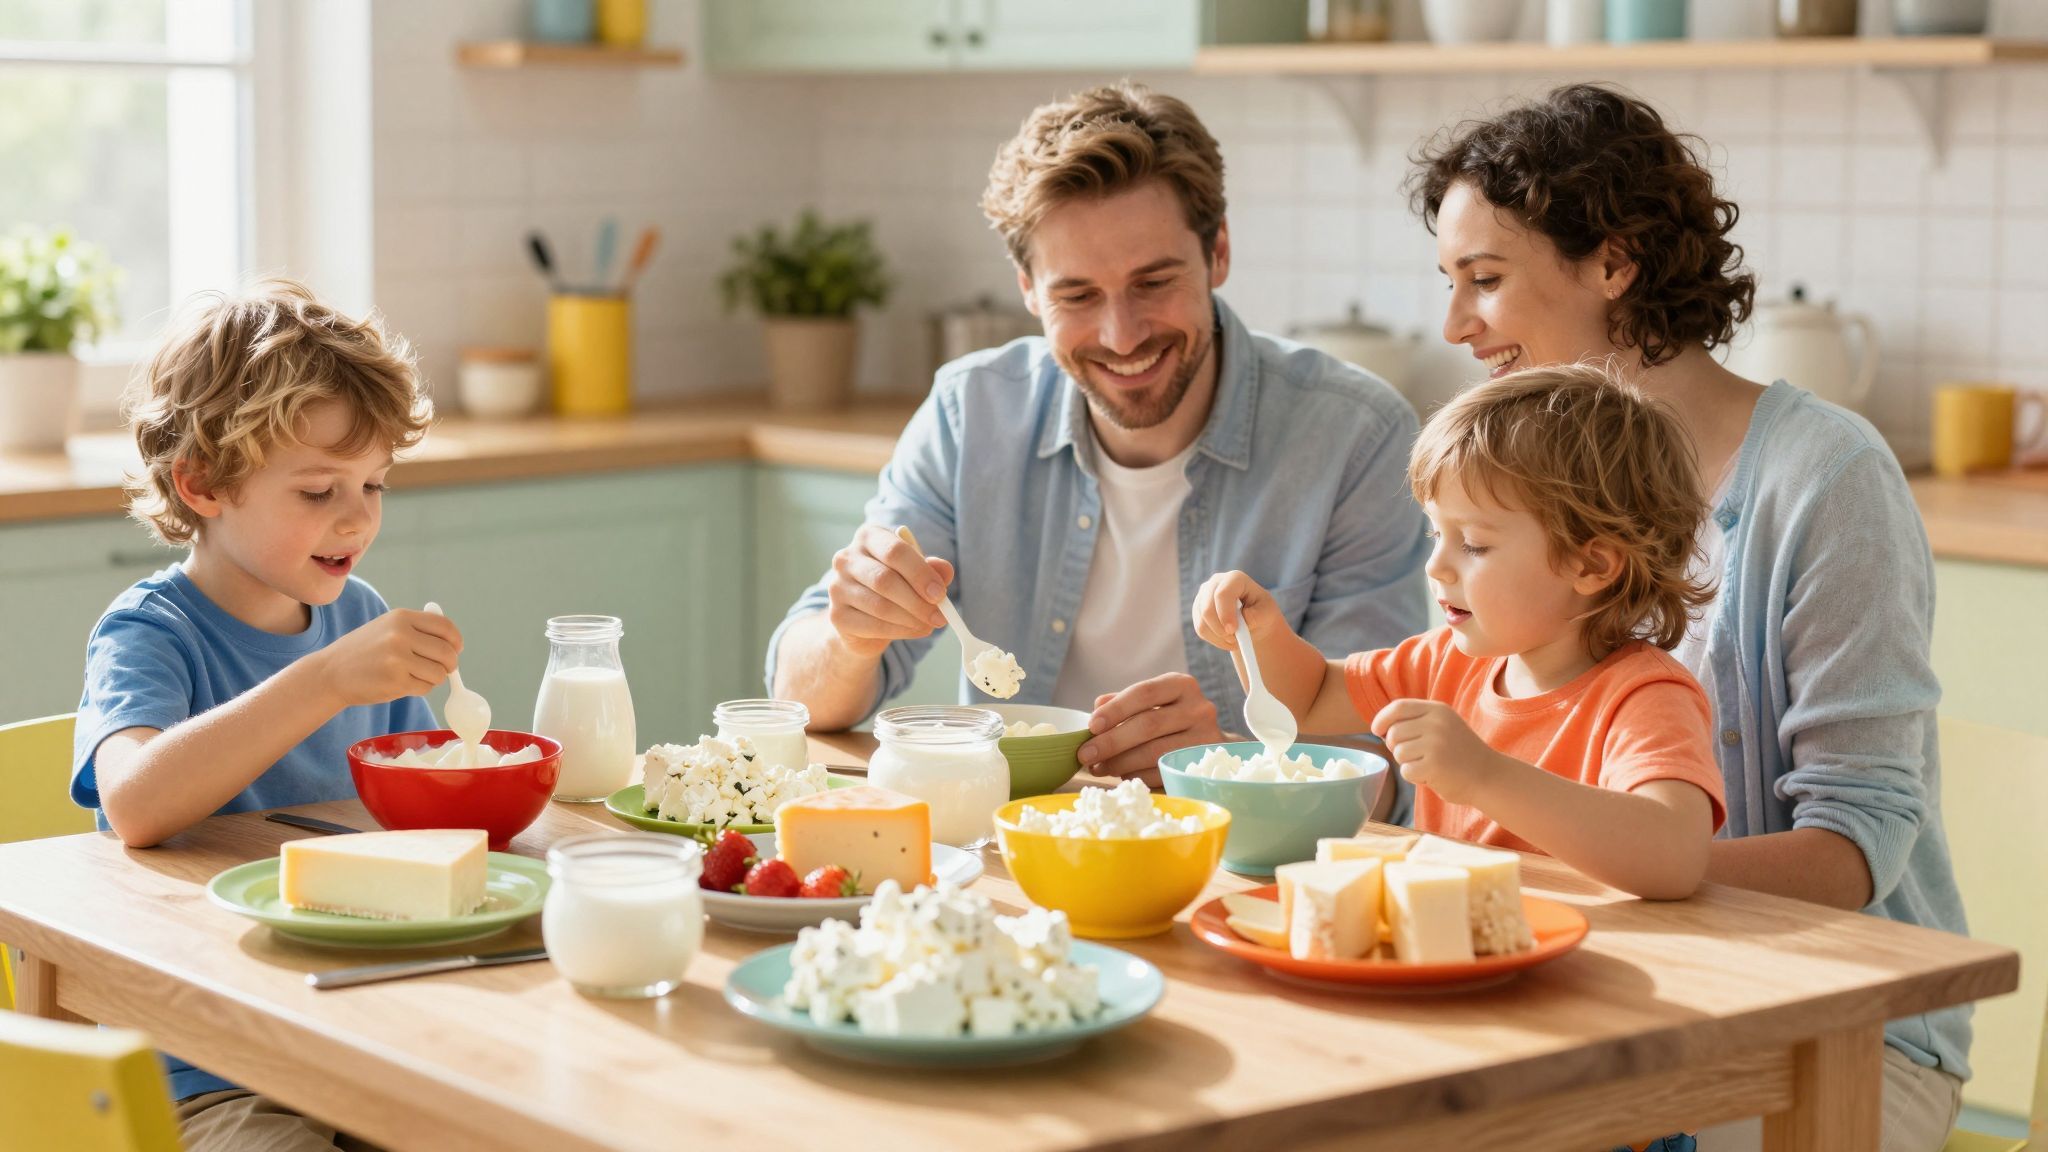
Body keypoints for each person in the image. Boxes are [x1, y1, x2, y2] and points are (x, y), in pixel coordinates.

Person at [1409, 82, 1969, 1150]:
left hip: (1840, 1026)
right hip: (1607, 992)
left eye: (1484, 280)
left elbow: (1850, 853)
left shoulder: (1822, 477)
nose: (1453, 325)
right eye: (1449, 282)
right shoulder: (1494, 499)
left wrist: (1576, 866)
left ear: (1613, 265)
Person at [768, 81, 1429, 781]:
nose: (1122, 336)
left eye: (1153, 283)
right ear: (1028, 289)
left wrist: (1224, 765)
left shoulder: (1355, 435)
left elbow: (1383, 767)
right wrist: (852, 634)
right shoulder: (971, 414)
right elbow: (799, 700)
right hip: (1015, 852)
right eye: (1077, 295)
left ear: (1219, 254)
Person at [72, 279, 456, 1152]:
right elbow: (133, 803)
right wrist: (323, 681)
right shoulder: (151, 634)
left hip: (359, 1039)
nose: (356, 517)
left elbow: (423, 812)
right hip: (207, 1070)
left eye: (374, 485)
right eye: (319, 491)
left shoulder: (358, 618)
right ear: (202, 484)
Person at [1197, 364, 1725, 899]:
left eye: (1473, 543)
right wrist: (1259, 632)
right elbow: (1305, 700)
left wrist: (1484, 776)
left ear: (1591, 566)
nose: (1436, 566)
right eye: (1435, 532)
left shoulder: (1644, 697)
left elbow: (1676, 857)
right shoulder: (1445, 661)